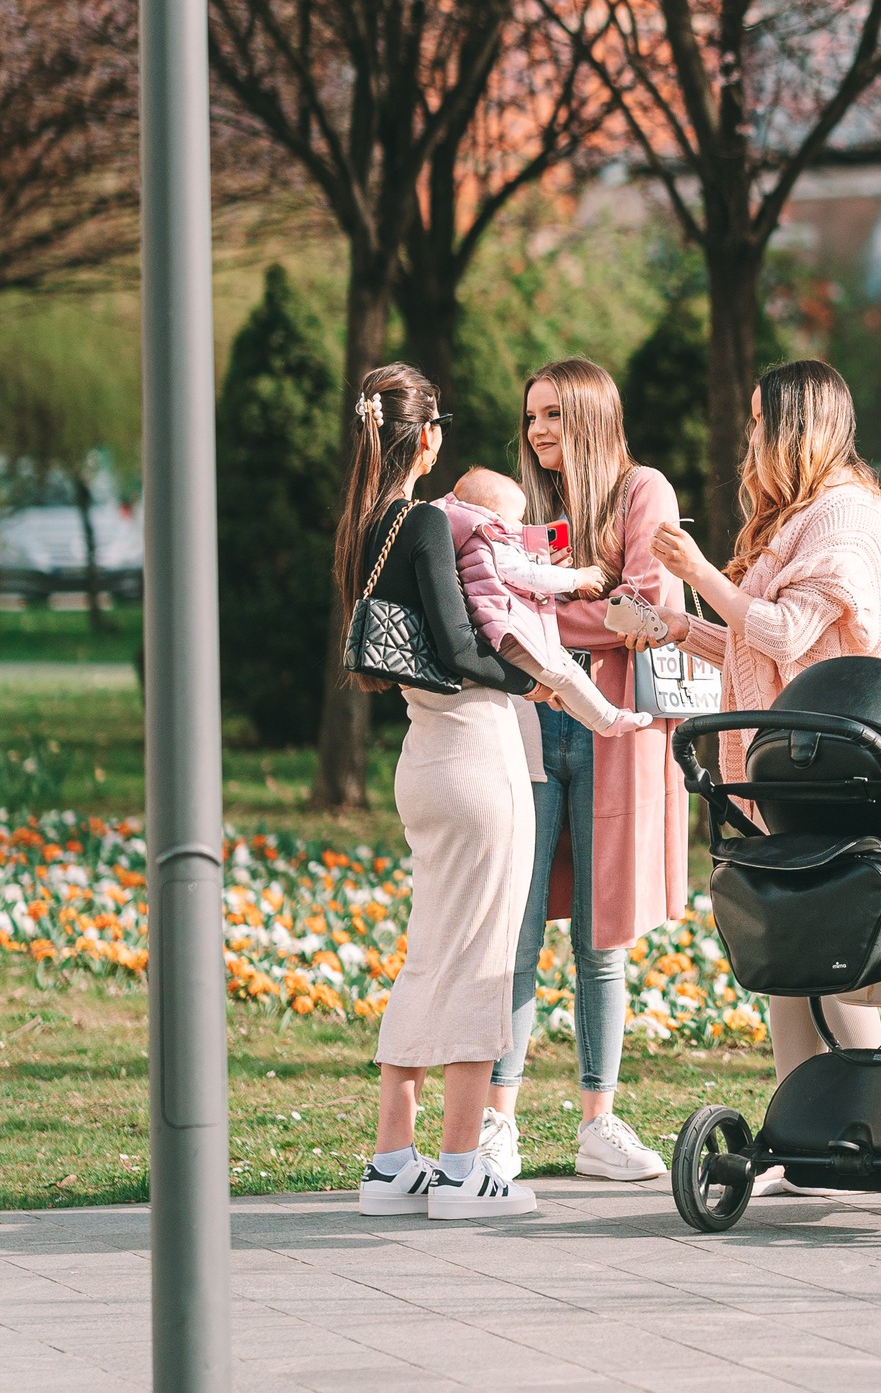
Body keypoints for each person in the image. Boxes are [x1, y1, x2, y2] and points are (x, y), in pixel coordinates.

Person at [627, 358, 881, 1186]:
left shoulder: (845, 520)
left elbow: (783, 635)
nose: (750, 438)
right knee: (790, 943)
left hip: (841, 765)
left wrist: (702, 576)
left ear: (796, 426)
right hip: (795, 766)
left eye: (758, 422)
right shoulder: (805, 520)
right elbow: (758, 641)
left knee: (836, 947)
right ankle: (801, 1134)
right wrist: (675, 626)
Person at [337, 365, 543, 1219]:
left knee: (431, 952)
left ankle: (393, 1164)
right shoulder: (423, 520)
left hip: (422, 759)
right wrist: (537, 680)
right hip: (473, 755)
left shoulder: (361, 522)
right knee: (482, 960)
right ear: (428, 438)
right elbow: (462, 650)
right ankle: (462, 1170)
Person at [478, 358, 689, 1185]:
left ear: (593, 416)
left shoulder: (644, 493)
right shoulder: (524, 505)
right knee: (516, 931)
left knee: (603, 939)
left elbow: (644, 612)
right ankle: (500, 1122)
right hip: (531, 730)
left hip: (616, 736)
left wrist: (541, 608)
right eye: (531, 415)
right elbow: (493, 598)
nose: (538, 431)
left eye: (555, 415)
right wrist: (580, 604)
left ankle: (598, 1125)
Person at [437, 466, 652, 739]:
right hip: (509, 630)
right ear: (495, 518)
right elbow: (529, 577)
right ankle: (608, 721)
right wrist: (577, 578)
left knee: (564, 673)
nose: (522, 524)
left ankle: (599, 718)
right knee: (562, 674)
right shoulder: (492, 543)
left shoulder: (475, 539)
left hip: (505, 627)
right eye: (518, 518)